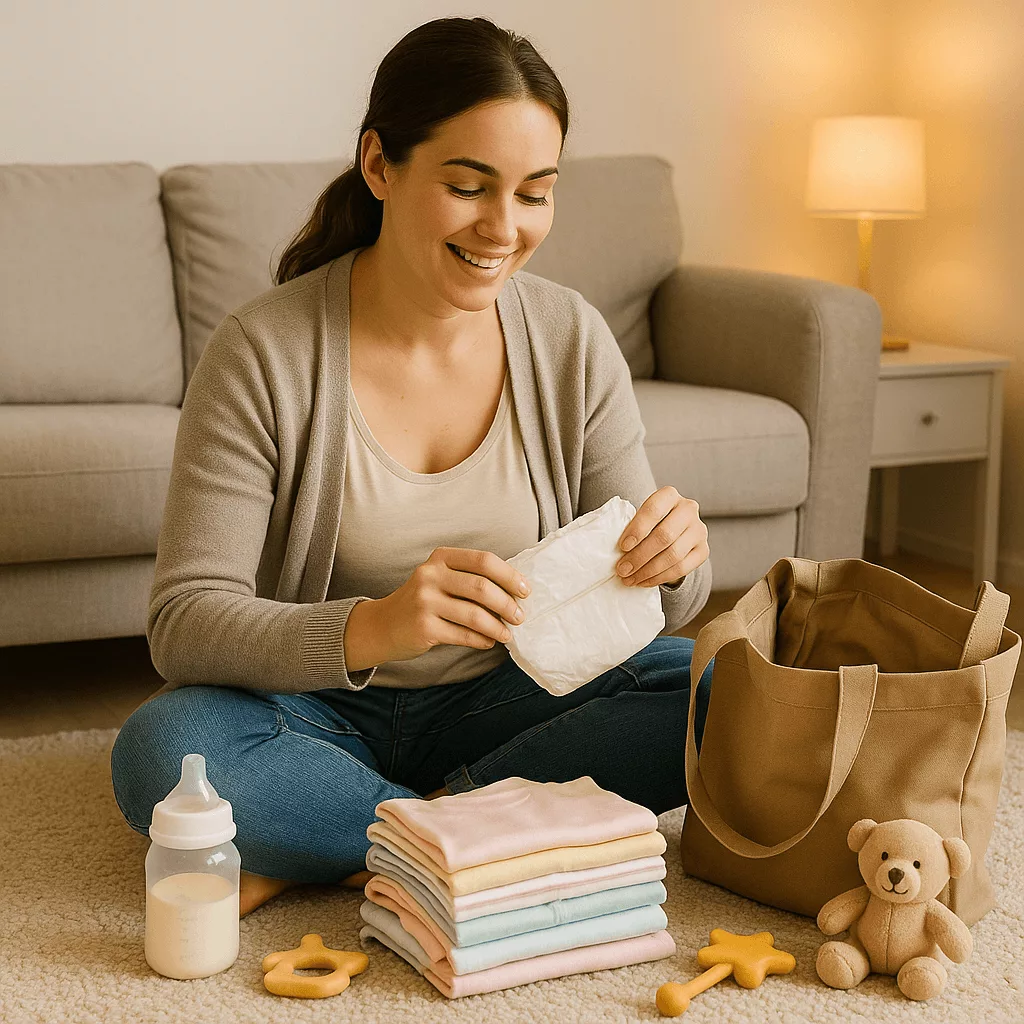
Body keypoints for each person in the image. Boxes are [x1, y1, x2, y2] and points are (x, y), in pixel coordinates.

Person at [110, 16, 714, 918]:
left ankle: (372, 842)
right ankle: (483, 836)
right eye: (469, 187)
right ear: (380, 165)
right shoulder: (264, 351)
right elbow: (185, 623)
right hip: (311, 716)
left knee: (712, 694)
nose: (503, 228)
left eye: (535, 193)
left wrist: (676, 565)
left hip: (511, 702)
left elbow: (641, 613)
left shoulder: (570, 339)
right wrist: (375, 628)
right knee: (164, 748)